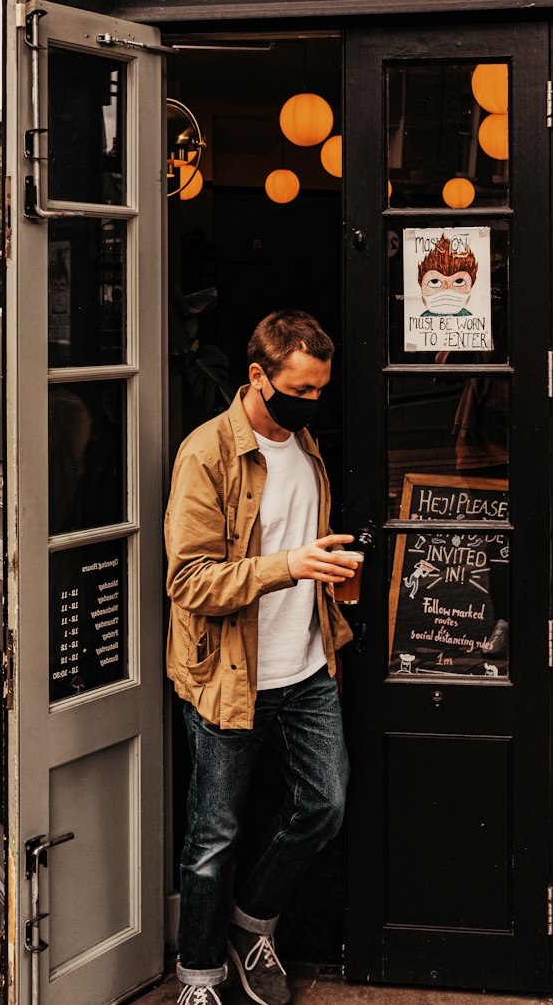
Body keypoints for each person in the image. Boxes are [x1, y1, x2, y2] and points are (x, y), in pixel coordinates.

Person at [165, 310, 358, 1005]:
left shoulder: (306, 446)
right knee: (213, 837)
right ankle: (199, 975)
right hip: (227, 680)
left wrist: (328, 568)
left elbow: (304, 542)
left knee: (323, 806)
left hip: (306, 668)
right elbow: (187, 581)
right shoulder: (206, 455)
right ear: (258, 376)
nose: (312, 405)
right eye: (300, 390)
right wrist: (289, 565)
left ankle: (253, 925)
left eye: (318, 390)